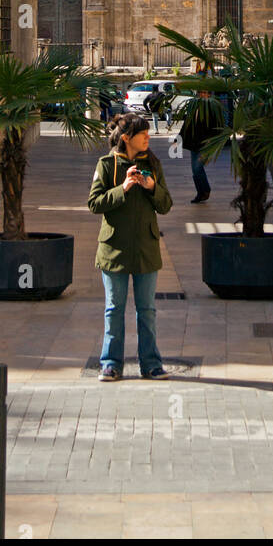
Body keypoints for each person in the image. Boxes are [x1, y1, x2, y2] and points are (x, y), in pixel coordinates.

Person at [87, 113, 173, 381]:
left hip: (146, 247)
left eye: (148, 132)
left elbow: (166, 205)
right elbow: (94, 203)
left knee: (147, 309)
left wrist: (151, 187)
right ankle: (111, 363)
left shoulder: (153, 164)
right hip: (114, 249)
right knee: (114, 309)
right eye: (142, 133)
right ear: (126, 138)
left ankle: (151, 363)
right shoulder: (106, 164)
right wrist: (122, 188)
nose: (148, 136)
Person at [176, 93, 219, 203]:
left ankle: (206, 190)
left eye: (206, 93)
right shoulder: (193, 106)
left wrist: (212, 141)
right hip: (194, 142)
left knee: (197, 168)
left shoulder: (212, 108)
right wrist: (179, 138)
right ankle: (200, 193)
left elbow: (217, 126)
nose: (203, 95)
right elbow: (187, 124)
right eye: (201, 93)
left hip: (205, 143)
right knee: (195, 171)